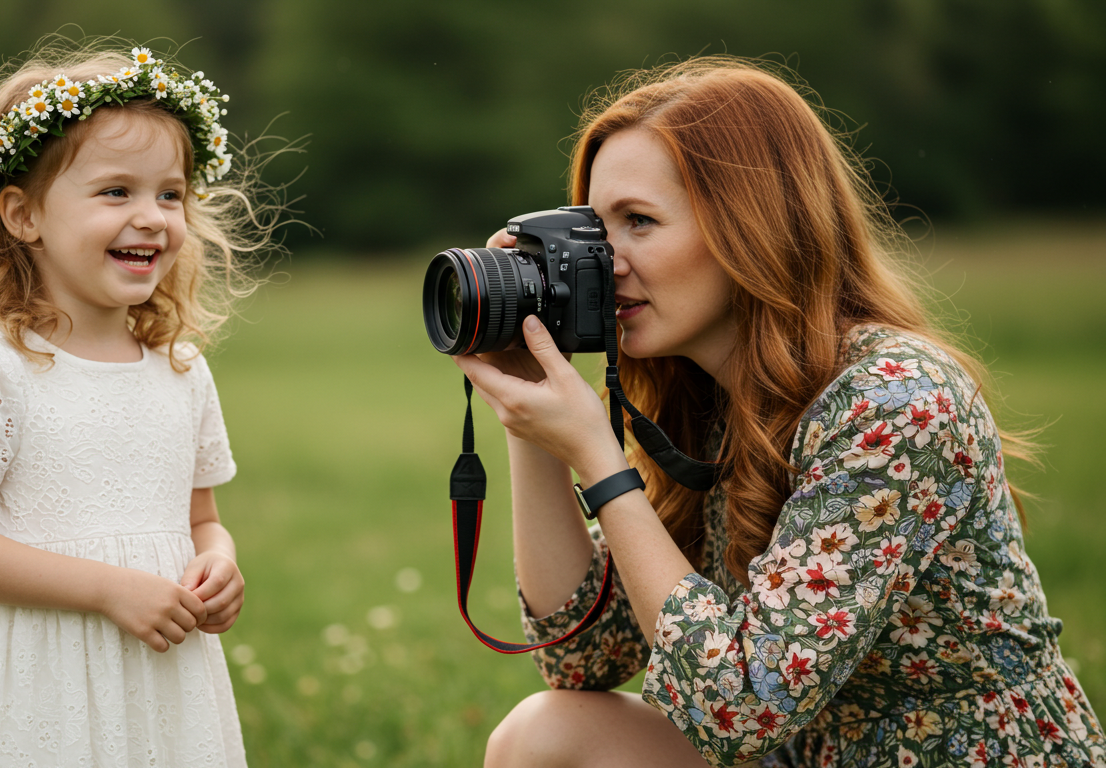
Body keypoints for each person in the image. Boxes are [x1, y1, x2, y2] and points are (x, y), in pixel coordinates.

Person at [458, 57, 1105, 767]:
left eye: (639, 221)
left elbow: (742, 708)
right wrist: (526, 403)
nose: (603, 263)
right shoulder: (708, 395)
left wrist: (599, 459)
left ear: (753, 226)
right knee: (546, 733)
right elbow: (582, 656)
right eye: (594, 231)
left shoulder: (896, 397)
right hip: (807, 755)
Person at [0, 38, 268, 766]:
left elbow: (201, 518)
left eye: (170, 193)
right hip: (35, 677)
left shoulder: (181, 370)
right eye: (115, 192)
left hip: (158, 671)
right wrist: (106, 590)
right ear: (23, 215)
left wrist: (218, 562)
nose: (152, 216)